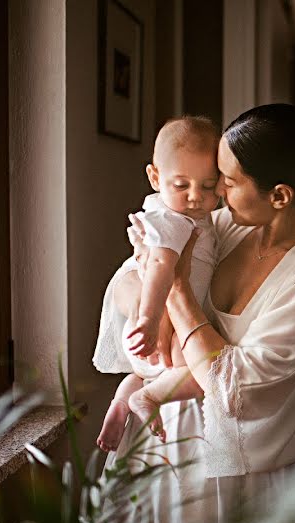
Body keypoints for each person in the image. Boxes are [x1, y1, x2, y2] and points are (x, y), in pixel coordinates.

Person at [99, 103, 295, 523]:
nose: (214, 196)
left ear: (279, 196)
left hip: (230, 462)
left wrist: (174, 291)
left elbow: (233, 382)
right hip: (159, 433)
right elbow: (130, 272)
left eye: (226, 184)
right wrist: (148, 313)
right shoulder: (226, 226)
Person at [92, 116, 221, 452]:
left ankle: (124, 397)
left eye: (209, 186)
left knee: (162, 368)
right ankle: (146, 397)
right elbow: (161, 266)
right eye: (182, 185)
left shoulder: (187, 213)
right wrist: (149, 320)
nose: (196, 196)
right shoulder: (172, 219)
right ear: (155, 177)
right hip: (152, 318)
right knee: (204, 367)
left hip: (155, 318)